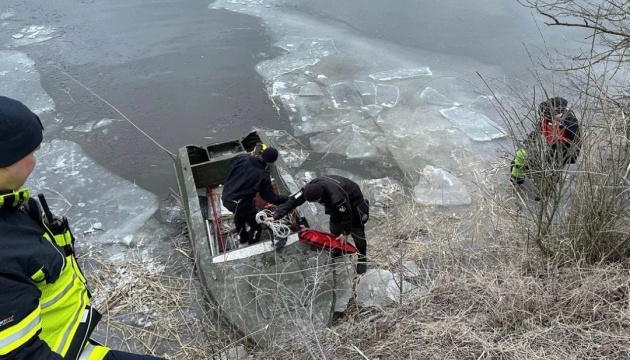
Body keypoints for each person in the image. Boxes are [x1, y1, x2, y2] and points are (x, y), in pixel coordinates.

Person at [0, 96, 165, 359]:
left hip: (66, 341)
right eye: (30, 152)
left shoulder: (10, 208)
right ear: (7, 160)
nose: (34, 160)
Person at [273, 175, 370, 274]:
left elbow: (347, 215)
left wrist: (345, 233)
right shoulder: (310, 187)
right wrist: (277, 215)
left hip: (353, 203)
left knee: (358, 233)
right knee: (335, 228)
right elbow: (294, 200)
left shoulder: (337, 197)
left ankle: (362, 258)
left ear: (320, 197)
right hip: (334, 205)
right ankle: (338, 249)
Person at [221, 145, 288, 245]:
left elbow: (231, 165)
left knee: (239, 216)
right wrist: (287, 198)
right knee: (256, 225)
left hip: (226, 197)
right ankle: (252, 243)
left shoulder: (242, 158)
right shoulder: (263, 176)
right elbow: (270, 198)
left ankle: (243, 238)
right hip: (240, 203)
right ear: (271, 162)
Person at [510, 96, 581, 186]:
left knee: (553, 170)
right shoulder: (546, 116)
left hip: (564, 147)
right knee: (547, 164)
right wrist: (529, 140)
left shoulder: (568, 120)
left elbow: (577, 138)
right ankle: (520, 179)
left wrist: (574, 154)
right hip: (552, 144)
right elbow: (538, 129)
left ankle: (548, 191)